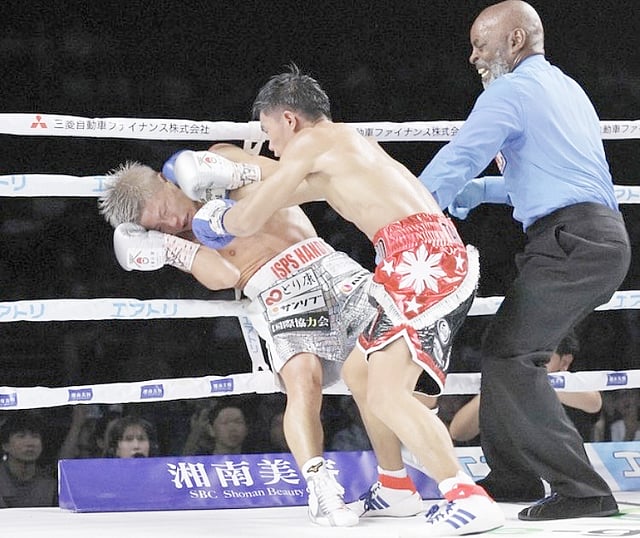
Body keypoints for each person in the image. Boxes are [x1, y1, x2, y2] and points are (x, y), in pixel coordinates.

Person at [188, 65, 504, 536]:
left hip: (422, 261)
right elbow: (280, 188)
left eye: (269, 131)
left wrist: (216, 222)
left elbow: (251, 217)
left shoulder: (316, 141)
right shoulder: (342, 149)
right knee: (359, 372)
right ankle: (395, 487)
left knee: (388, 394)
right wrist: (226, 167)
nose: (270, 144)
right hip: (410, 259)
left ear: (290, 119)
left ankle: (467, 496)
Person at [416, 0, 631, 521]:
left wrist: (407, 210)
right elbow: (545, 177)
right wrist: (477, 191)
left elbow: (461, 155)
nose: (473, 57)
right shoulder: (566, 89)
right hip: (590, 236)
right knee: (503, 348)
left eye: (480, 44)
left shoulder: (509, 91)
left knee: (515, 355)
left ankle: (584, 491)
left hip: (572, 240)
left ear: (514, 40)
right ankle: (513, 476)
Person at [99, 144, 375, 527]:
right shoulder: (184, 238)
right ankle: (320, 487)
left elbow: (287, 178)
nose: (171, 222)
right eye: (158, 228)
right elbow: (223, 276)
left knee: (396, 356)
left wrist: (234, 174)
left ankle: (403, 473)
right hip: (278, 293)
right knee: (303, 380)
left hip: (324, 261)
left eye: (163, 211)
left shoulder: (218, 159)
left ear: (165, 180)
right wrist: (168, 246)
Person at [449, 332, 602, 444]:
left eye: (540, 357)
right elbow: (458, 432)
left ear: (565, 362)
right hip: (512, 472)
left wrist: (537, 381)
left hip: (564, 471)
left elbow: (594, 402)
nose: (529, 363)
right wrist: (497, 385)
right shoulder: (504, 381)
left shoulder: (570, 386)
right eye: (524, 355)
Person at [0, 412, 57, 508]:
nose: (30, 444)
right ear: (5, 445)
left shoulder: (50, 484)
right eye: (21, 436)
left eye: (35, 436)